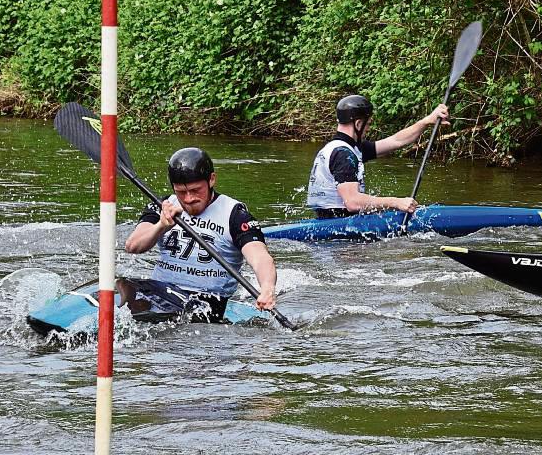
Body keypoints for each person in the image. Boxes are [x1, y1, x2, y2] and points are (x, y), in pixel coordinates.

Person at [121, 147, 277, 321]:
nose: (189, 199)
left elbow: (260, 257)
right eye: (181, 192)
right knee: (121, 286)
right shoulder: (164, 206)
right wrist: (161, 226)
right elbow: (132, 246)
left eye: (196, 190)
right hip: (160, 291)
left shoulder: (235, 215)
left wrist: (267, 289)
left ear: (211, 180)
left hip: (205, 302)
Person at [306, 94, 449, 218]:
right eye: (367, 125)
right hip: (340, 233)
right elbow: (353, 202)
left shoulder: (346, 148)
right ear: (358, 123)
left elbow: (396, 141)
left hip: (332, 221)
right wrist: (396, 202)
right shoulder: (344, 154)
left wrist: (427, 121)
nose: (368, 129)